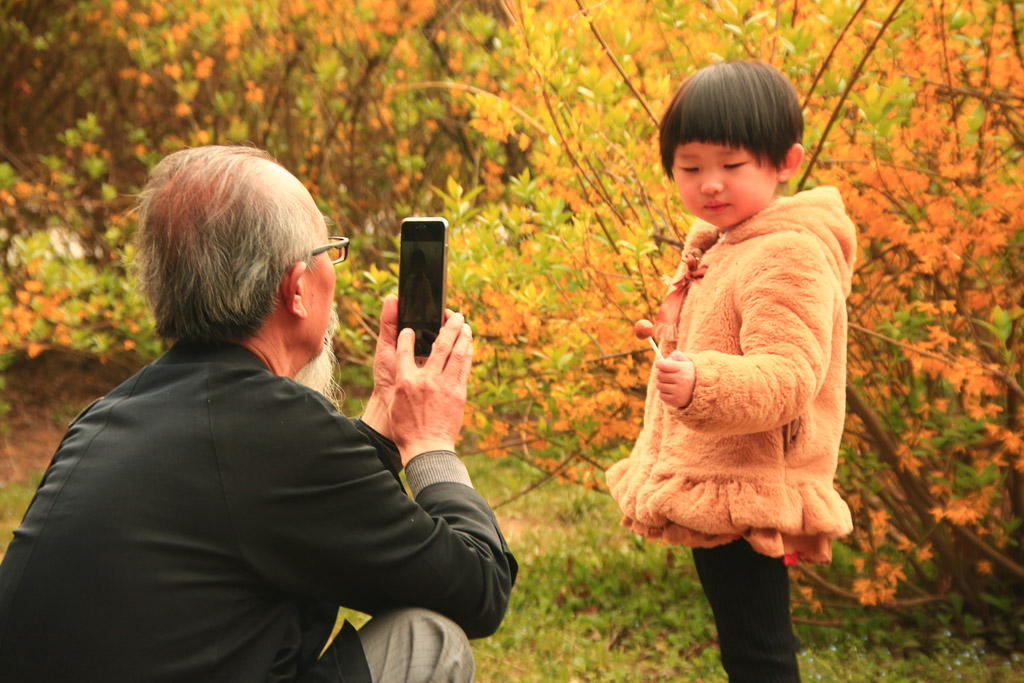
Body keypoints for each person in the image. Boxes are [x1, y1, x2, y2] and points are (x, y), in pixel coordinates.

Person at [0, 145, 517, 682]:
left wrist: (387, 410)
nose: (332, 274)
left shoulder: (105, 418)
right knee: (430, 640)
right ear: (296, 288)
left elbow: (319, 512)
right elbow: (478, 586)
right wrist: (431, 440)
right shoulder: (276, 434)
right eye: (330, 253)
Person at [607, 61, 856, 681]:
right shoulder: (727, 243)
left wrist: (702, 385)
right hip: (721, 476)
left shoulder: (785, 253)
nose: (709, 184)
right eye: (690, 168)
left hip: (751, 483)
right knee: (746, 643)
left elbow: (790, 374)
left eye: (731, 166)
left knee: (758, 650)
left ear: (785, 161)